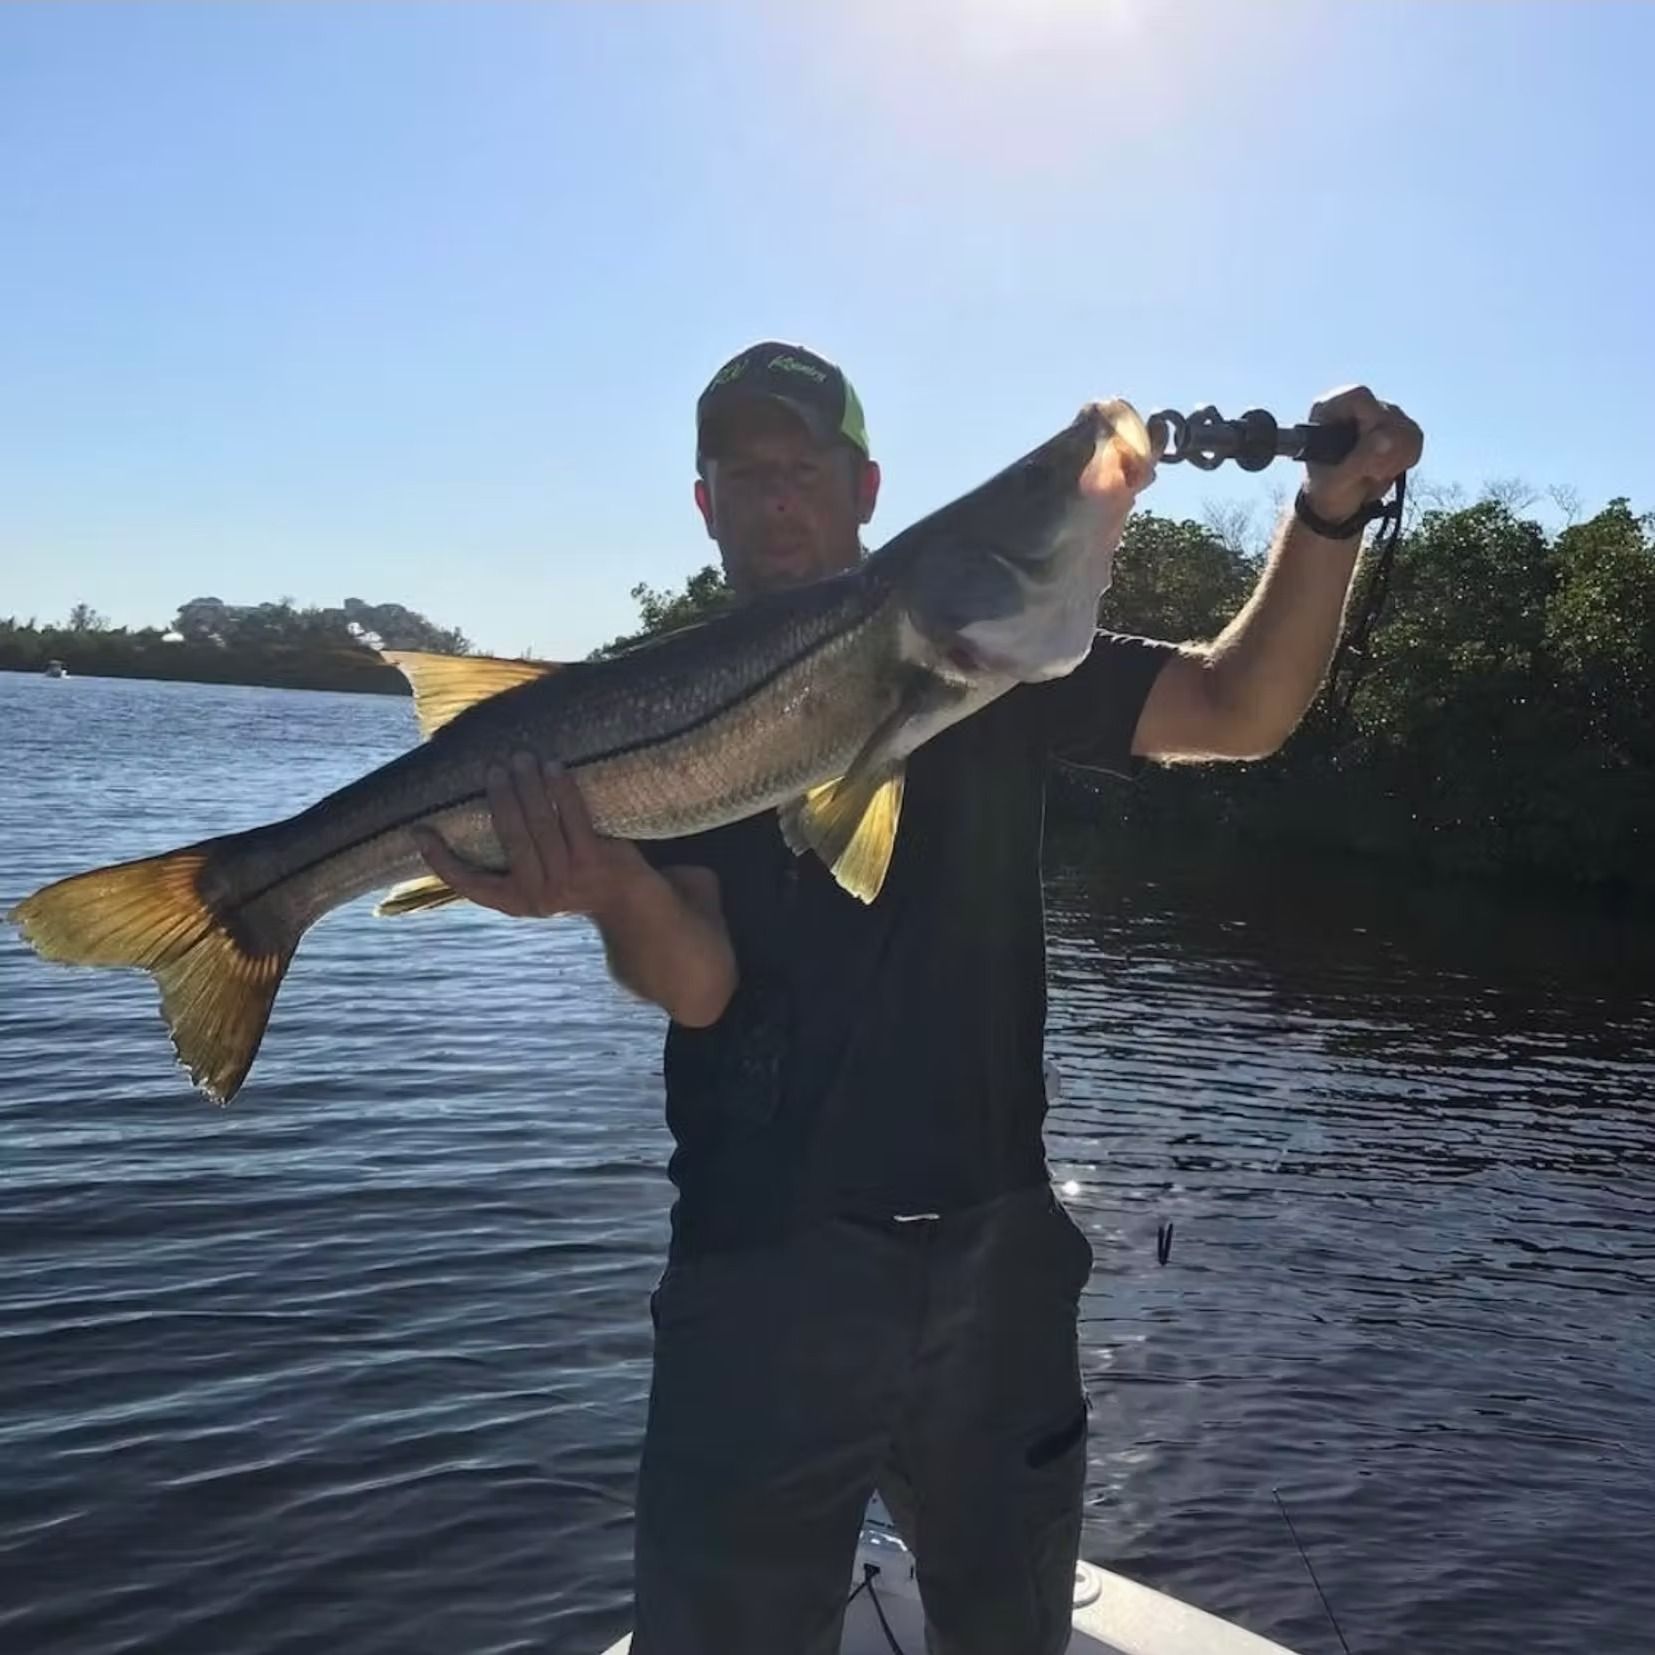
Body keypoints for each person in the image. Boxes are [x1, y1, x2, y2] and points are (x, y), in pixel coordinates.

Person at [413, 342, 1423, 1655]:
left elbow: (1240, 708)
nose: (781, 499)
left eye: (808, 470)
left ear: (868, 486)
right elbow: (700, 984)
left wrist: (1328, 514)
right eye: (746, 474)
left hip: (998, 1262)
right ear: (706, 503)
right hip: (764, 1272)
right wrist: (609, 887)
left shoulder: (1012, 665)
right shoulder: (648, 706)